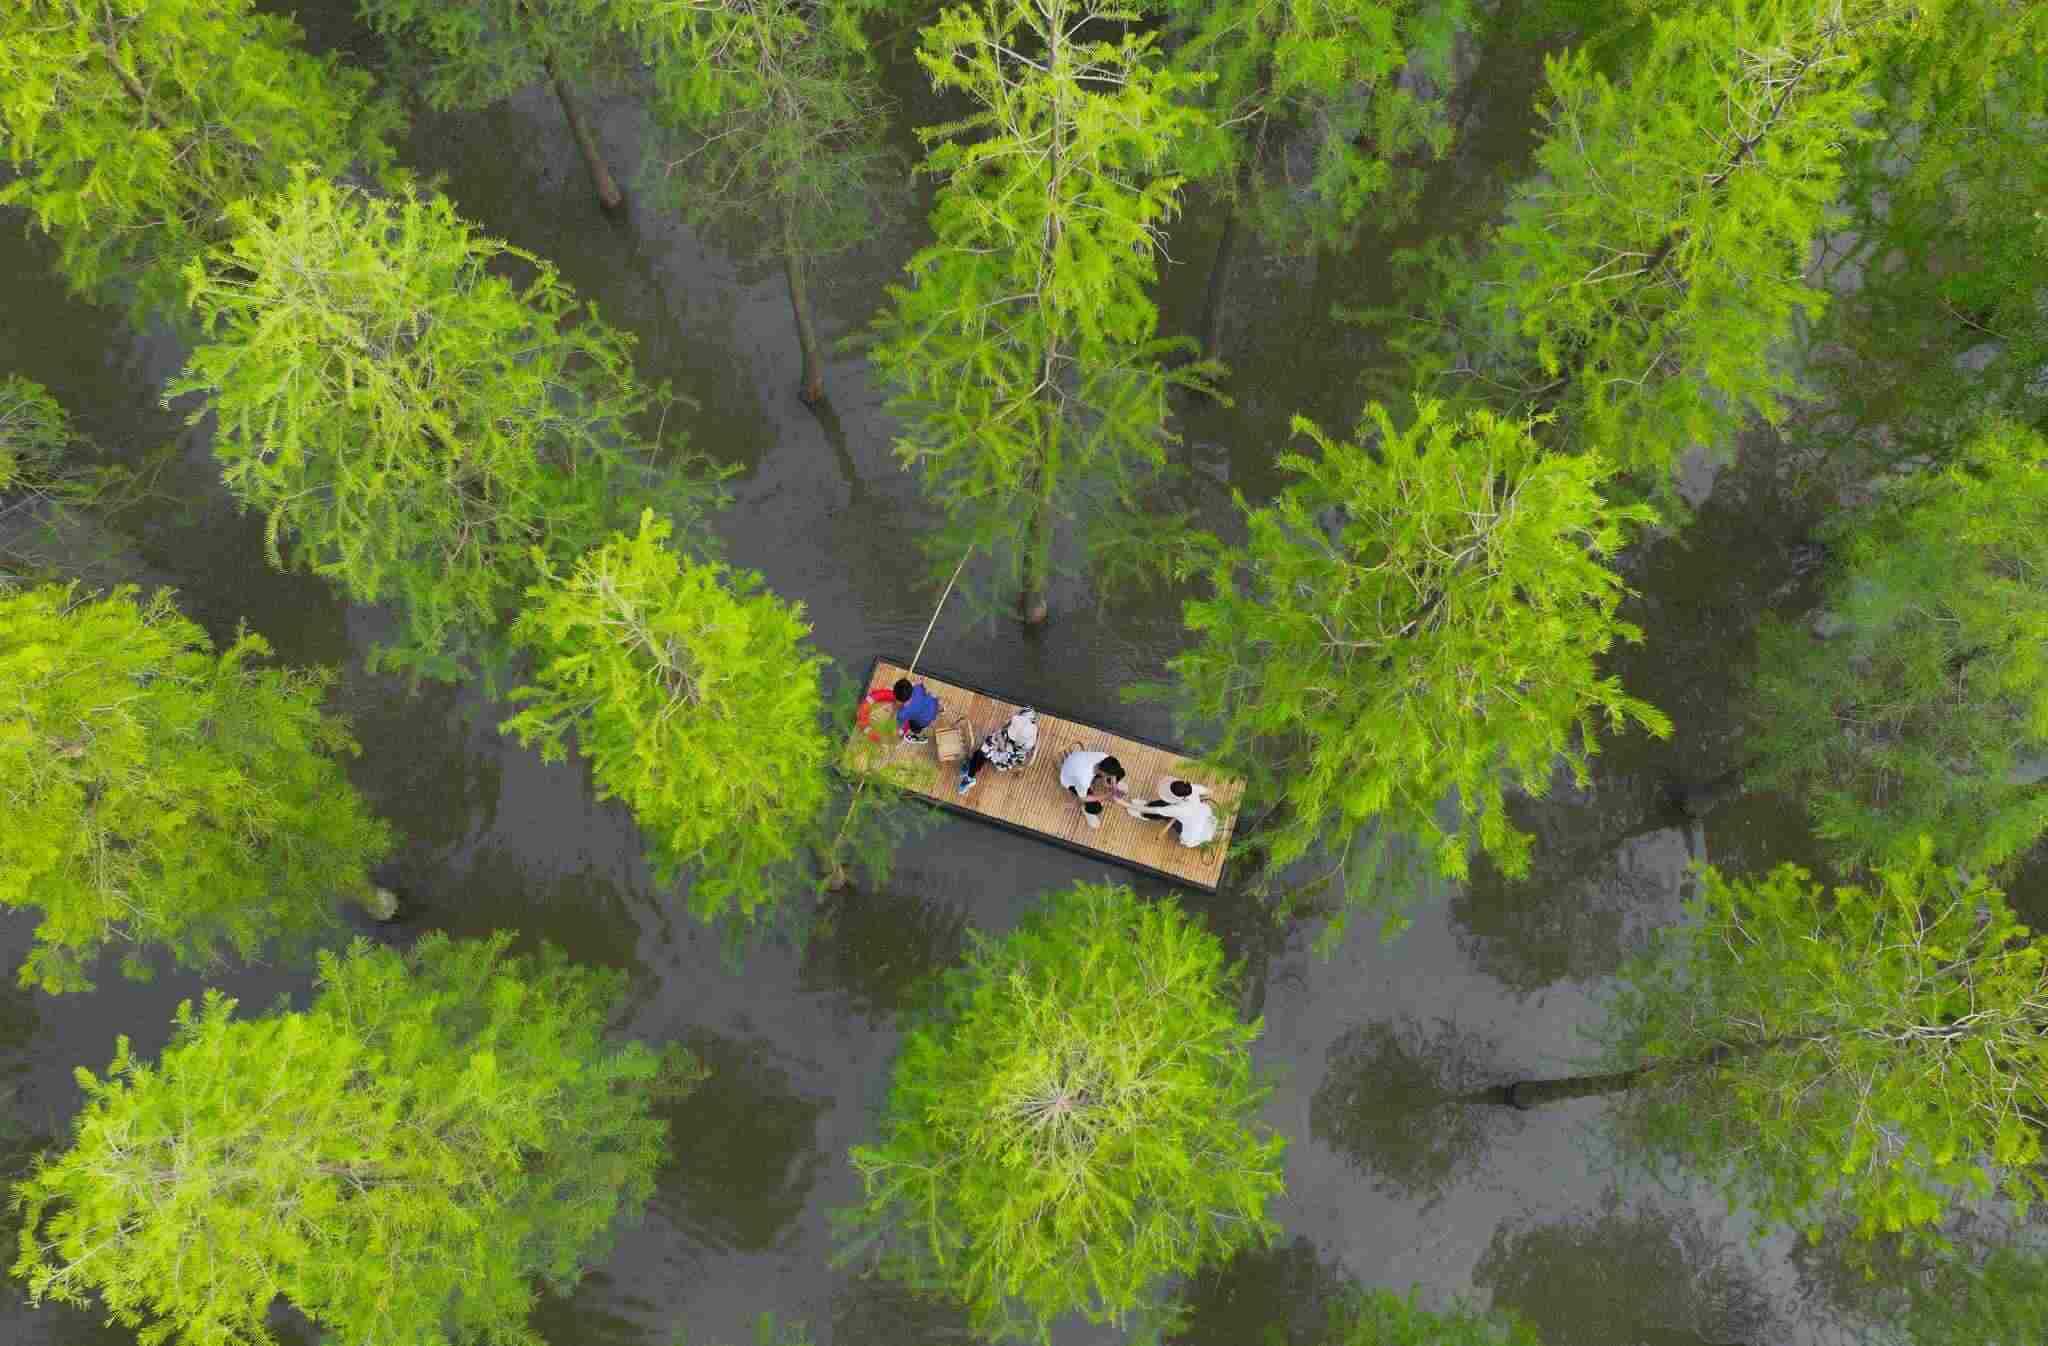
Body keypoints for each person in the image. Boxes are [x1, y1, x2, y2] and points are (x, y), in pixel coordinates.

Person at [957, 708, 1037, 794]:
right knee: (982, 752)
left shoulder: (1025, 745)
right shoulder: (1020, 725)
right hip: (1004, 743)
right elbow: (1004, 728)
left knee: (982, 753)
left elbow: (1006, 752)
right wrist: (1001, 734)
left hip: (1007, 757)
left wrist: (1001, 741)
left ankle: (970, 775)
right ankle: (970, 772)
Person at [1123, 777, 1219, 847]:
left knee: (1166, 813)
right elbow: (1210, 791)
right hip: (1202, 814)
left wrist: (1126, 804)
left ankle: (1143, 814)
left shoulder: (1179, 809)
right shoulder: (1190, 788)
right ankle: (1147, 805)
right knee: (1168, 806)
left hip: (1192, 834)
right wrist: (1195, 801)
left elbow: (1155, 811)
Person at [1058, 749, 1127, 829]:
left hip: (1076, 759)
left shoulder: (1104, 757)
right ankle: (1085, 810)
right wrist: (1106, 796)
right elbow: (1083, 798)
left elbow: (1112, 774)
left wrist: (1114, 787)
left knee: (1121, 773)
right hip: (1069, 779)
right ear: (1103, 773)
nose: (1112, 777)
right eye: (1109, 776)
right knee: (1096, 808)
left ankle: (1108, 782)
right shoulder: (1083, 779)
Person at [858, 676, 942, 743]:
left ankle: (916, 734)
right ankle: (939, 709)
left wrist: (897, 732)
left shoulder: (902, 714)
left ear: (898, 700)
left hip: (925, 720)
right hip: (933, 703)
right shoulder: (917, 688)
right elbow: (921, 685)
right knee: (923, 706)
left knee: (915, 727)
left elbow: (900, 728)